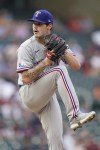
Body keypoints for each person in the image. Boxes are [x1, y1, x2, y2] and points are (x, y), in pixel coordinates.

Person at [16, 10, 96, 150]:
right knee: (60, 70)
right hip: (29, 92)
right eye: (34, 23)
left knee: (56, 139)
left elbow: (76, 65)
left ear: (49, 26)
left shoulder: (57, 42)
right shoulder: (26, 47)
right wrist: (46, 62)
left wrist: (64, 50)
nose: (35, 26)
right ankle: (75, 115)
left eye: (39, 24)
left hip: (46, 97)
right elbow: (25, 77)